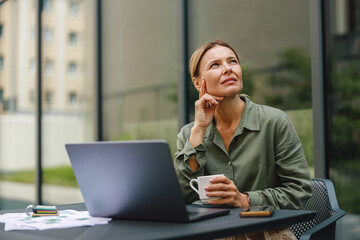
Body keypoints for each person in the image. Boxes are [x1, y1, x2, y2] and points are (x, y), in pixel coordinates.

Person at [174, 40, 312, 239]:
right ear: (197, 82)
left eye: (233, 62)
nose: (228, 69)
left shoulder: (274, 121)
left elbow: (299, 190)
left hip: (264, 233)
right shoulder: (190, 133)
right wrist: (199, 129)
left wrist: (245, 199)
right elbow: (183, 197)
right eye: (216, 65)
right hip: (212, 233)